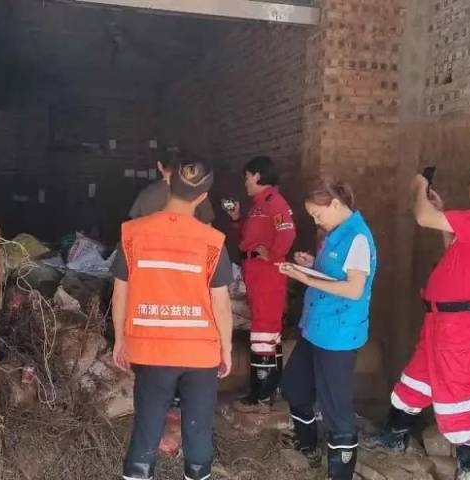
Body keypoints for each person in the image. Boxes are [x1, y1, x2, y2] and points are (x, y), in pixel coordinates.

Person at [365, 160, 470, 478]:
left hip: (458, 326)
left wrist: (420, 187)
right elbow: (457, 253)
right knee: (416, 379)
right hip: (446, 321)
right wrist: (443, 210)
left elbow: (422, 217)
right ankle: (394, 436)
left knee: (457, 395)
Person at [111, 160, 234, 480]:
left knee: (148, 423)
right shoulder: (213, 241)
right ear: (201, 196)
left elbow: (120, 294)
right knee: (198, 426)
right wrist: (227, 348)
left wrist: (120, 340)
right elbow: (221, 304)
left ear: (169, 184)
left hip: (151, 351)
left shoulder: (133, 233)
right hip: (200, 351)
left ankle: (138, 472)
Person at [277, 178, 377, 480]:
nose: (316, 220)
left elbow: (353, 289)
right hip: (315, 328)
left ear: (336, 204)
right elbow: (335, 274)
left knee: (336, 406)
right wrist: (312, 265)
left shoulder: (358, 237)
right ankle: (307, 445)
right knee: (295, 385)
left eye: (318, 214)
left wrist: (304, 278)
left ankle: (340, 471)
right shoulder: (335, 234)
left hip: (338, 335)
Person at [225, 156, 296, 412]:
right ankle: (269, 388)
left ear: (257, 175)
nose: (245, 182)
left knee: (264, 331)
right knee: (267, 330)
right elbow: (247, 237)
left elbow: (288, 232)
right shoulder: (257, 205)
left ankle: (261, 394)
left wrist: (274, 255)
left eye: (246, 176)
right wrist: (236, 219)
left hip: (267, 273)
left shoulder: (274, 202)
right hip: (254, 270)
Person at [129, 152, 215, 224]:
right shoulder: (198, 193)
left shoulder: (147, 194)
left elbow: (132, 231)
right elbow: (208, 227)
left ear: (159, 166)